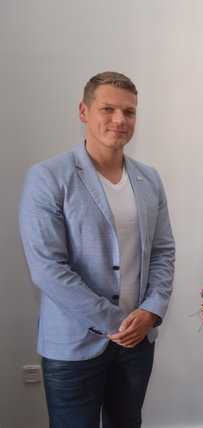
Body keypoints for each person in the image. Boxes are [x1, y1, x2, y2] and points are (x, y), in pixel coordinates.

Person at [19, 71, 176, 427]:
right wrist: (117, 322)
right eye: (108, 109)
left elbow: (164, 251)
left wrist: (151, 311)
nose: (119, 120)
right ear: (84, 111)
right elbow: (47, 267)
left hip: (138, 341)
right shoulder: (48, 177)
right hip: (73, 343)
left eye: (129, 112)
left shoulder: (149, 178)